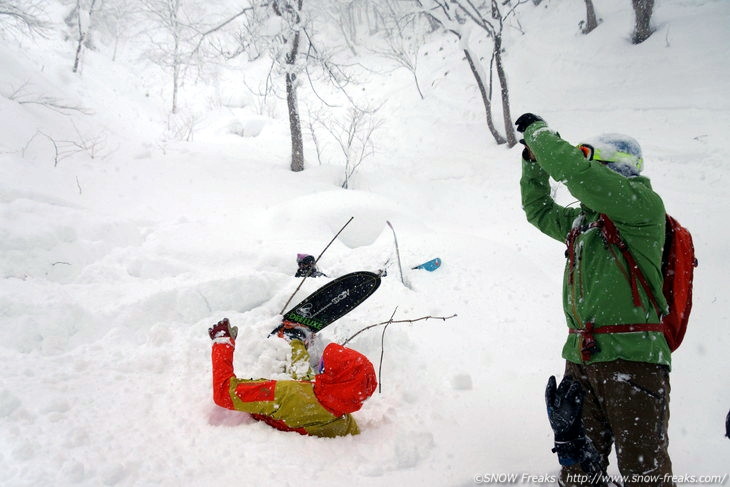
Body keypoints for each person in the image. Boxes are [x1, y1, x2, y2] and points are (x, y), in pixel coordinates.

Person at [516, 113, 674, 486]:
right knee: (578, 468)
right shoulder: (584, 223)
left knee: (644, 472)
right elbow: (538, 210)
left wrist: (539, 136)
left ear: (613, 169)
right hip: (582, 359)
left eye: (591, 161)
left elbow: (580, 177)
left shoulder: (640, 205)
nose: (584, 168)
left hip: (633, 361)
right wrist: (533, 165)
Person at [208, 318, 377, 437]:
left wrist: (222, 342)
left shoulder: (288, 395)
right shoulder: (344, 416)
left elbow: (224, 394)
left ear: (336, 383)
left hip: (267, 410)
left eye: (325, 369)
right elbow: (305, 378)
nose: (320, 370)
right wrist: (296, 343)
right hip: (298, 412)